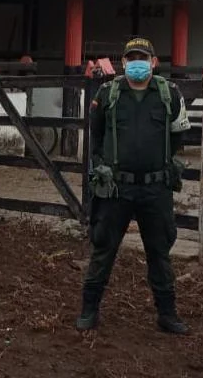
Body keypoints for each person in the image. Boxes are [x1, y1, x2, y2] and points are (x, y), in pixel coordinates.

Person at [78, 37, 192, 335]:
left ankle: (167, 314)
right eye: (132, 58)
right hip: (117, 188)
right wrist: (102, 170)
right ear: (123, 63)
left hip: (156, 189)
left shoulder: (170, 94)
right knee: (103, 249)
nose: (138, 63)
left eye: (143, 57)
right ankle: (89, 310)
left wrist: (167, 167)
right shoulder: (107, 93)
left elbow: (179, 137)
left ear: (154, 62)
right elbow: (96, 137)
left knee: (159, 252)